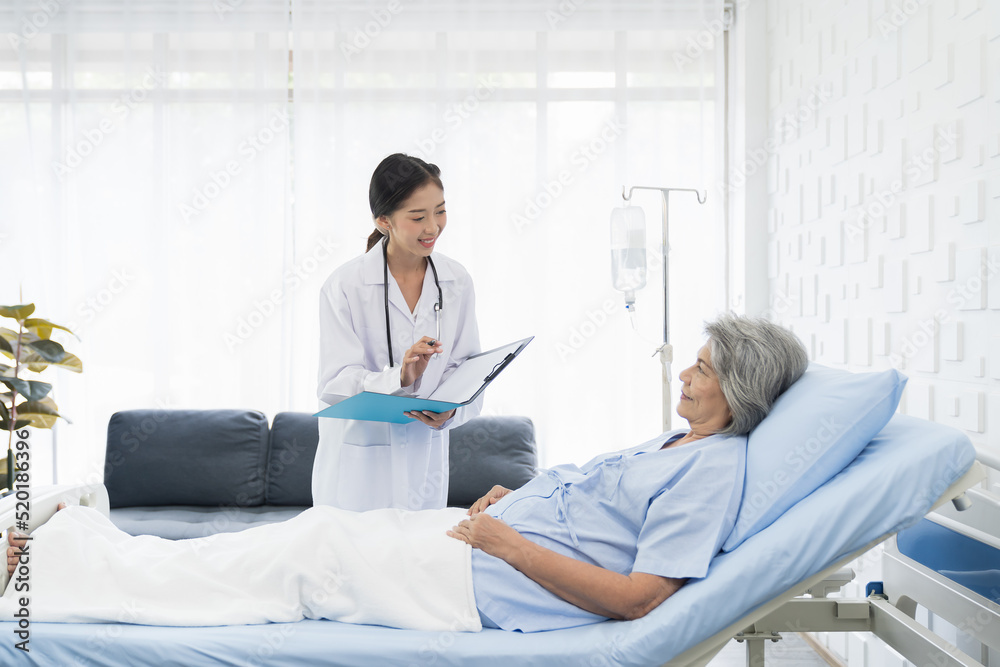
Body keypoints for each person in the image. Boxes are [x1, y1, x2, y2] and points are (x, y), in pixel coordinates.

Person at [3, 315, 807, 633]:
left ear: (738, 389)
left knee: (297, 561)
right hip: (469, 545)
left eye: (701, 369)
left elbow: (642, 599)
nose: (685, 377)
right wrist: (513, 502)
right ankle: (70, 548)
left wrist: (508, 542)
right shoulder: (676, 445)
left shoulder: (713, 468)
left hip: (473, 577)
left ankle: (61, 570)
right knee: (308, 539)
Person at [314, 153, 482, 511]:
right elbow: (334, 384)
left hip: (425, 463)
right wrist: (398, 378)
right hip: (357, 467)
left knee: (416, 560)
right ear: (384, 220)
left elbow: (467, 370)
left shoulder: (456, 280)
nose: (433, 227)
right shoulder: (345, 285)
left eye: (440, 211)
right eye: (418, 217)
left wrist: (452, 410)